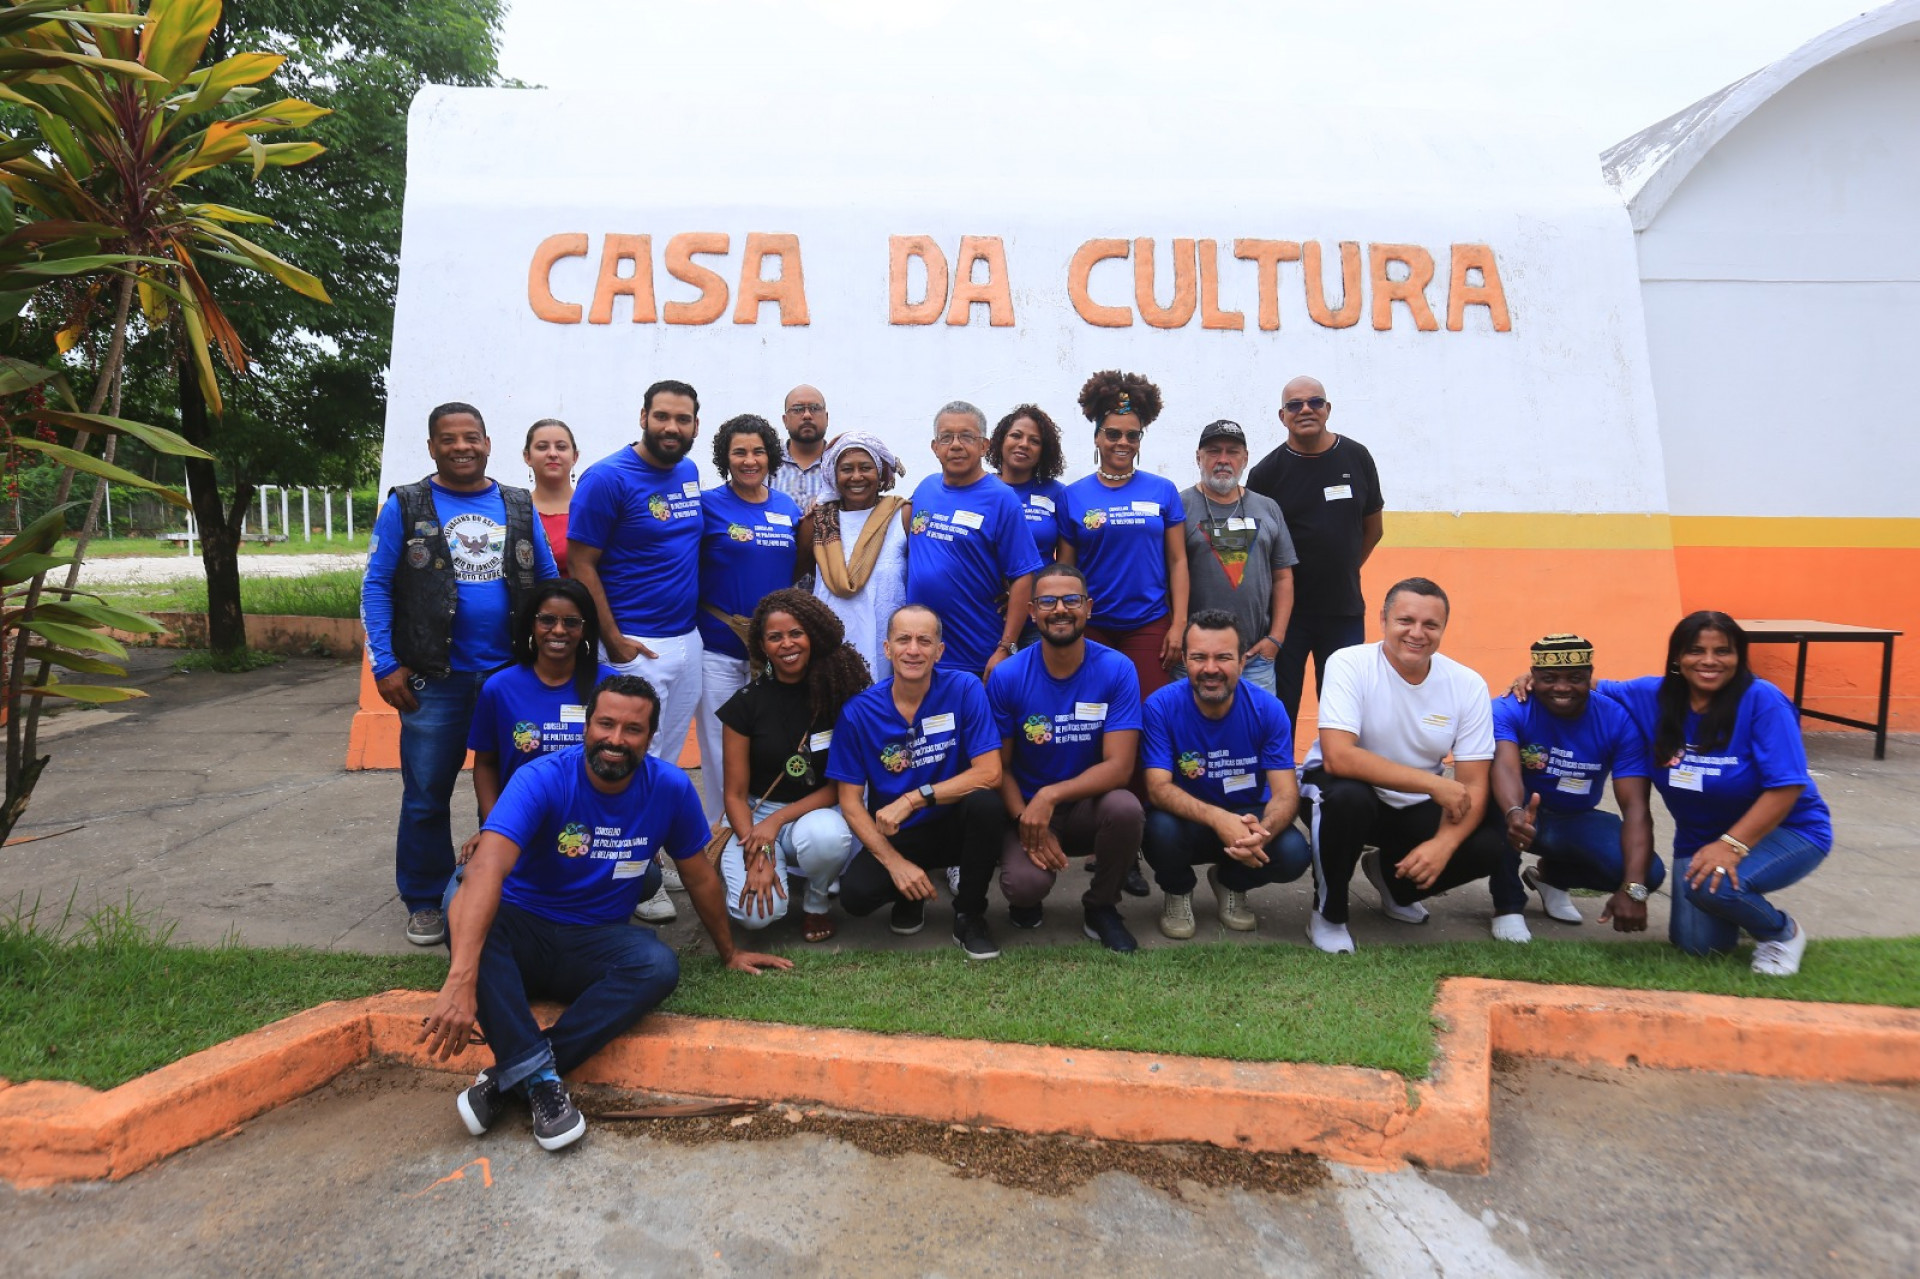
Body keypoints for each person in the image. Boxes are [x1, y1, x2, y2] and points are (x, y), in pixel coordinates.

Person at [419, 675, 790, 1152]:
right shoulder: (541, 777)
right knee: (468, 910)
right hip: (523, 931)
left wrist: (729, 951)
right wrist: (459, 979)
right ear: (587, 726)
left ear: (651, 737)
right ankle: (543, 1085)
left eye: (632, 729)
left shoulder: (670, 788)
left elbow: (698, 877)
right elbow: (487, 869)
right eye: (606, 724)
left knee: (656, 965)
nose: (616, 739)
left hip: (591, 943)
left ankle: (516, 1074)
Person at [363, 401, 556, 946]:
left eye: (471, 437)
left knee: (513, 790)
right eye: (449, 439)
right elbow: (376, 586)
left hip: (508, 677)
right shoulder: (406, 504)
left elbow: (546, 577)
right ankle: (425, 899)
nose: (462, 447)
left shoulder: (517, 503)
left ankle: (504, 889)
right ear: (431, 447)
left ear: (488, 443)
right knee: (426, 794)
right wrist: (385, 663)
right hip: (432, 678)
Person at [1592, 612, 1832, 976]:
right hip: (1699, 839)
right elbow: (1585, 686)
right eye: (1695, 651)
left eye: (1723, 651)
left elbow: (1787, 786)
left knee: (1714, 889)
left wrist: (1732, 845)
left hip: (1788, 830)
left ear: (1739, 656)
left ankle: (1782, 933)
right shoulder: (1649, 695)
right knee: (1697, 945)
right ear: (1677, 657)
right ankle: (1737, 901)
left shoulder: (1763, 701)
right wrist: (1530, 679)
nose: (1709, 661)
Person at [1297, 578, 1526, 954]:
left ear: (1443, 629)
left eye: (1430, 625)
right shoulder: (1349, 662)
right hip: (1342, 789)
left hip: (1412, 804)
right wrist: (1433, 784)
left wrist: (1443, 844)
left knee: (1491, 837)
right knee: (1347, 798)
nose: (1417, 633)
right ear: (1383, 619)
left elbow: (1474, 785)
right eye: (1405, 620)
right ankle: (1329, 914)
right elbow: (1339, 755)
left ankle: (1393, 881)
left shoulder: (1466, 684)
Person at [456, 581, 675, 927]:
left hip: (594, 830)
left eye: (571, 622)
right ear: (532, 624)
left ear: (586, 629)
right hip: (523, 827)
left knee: (647, 877)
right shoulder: (500, 688)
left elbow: (633, 764)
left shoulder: (610, 687)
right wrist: (493, 826)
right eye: (547, 620)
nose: (558, 630)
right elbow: (485, 765)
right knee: (457, 898)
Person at [827, 604, 1008, 960]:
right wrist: (895, 863)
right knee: (856, 897)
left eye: (924, 641)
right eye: (903, 639)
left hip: (954, 821)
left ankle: (970, 914)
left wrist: (914, 798)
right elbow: (849, 801)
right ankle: (909, 893)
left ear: (939, 651)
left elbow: (990, 773)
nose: (913, 650)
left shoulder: (965, 689)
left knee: (987, 804)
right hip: (900, 833)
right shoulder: (858, 712)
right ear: (887, 648)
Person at [986, 565, 1145, 952]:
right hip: (1028, 809)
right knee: (1023, 888)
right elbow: (999, 767)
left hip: (1088, 806)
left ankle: (1102, 906)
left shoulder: (1117, 669)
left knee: (1126, 809)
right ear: (1031, 611)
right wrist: (1026, 817)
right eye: (1048, 601)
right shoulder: (1007, 676)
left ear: (1088, 608)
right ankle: (1028, 899)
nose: (1060, 609)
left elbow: (1120, 767)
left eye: (1071, 600)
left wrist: (1051, 795)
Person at [1140, 610, 1312, 939]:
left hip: (1249, 818)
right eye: (1199, 657)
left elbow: (1286, 794)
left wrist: (1260, 832)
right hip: (1188, 821)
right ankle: (1177, 891)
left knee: (1293, 854)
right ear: (1185, 661)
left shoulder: (1268, 709)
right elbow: (1158, 789)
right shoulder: (1160, 707)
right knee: (1157, 828)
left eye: (1223, 657)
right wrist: (1219, 819)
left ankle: (1230, 882)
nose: (1210, 669)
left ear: (1242, 662)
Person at [716, 590, 870, 942]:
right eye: (775, 637)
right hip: (753, 812)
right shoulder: (744, 705)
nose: (787, 644)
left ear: (814, 634)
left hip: (815, 810)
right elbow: (735, 795)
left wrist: (776, 823)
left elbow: (838, 786)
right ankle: (754, 869)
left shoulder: (838, 694)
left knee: (827, 838)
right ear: (762, 645)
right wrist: (758, 853)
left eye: (796, 633)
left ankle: (816, 903)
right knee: (756, 917)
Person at [568, 380, 705, 770]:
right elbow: (581, 564)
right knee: (627, 761)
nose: (671, 427)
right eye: (661, 416)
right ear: (644, 417)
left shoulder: (689, 470)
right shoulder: (606, 478)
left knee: (665, 761)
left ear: (696, 425)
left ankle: (653, 832)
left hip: (686, 641)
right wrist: (614, 641)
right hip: (635, 645)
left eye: (683, 419)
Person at [1490, 632, 1662, 931]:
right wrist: (1514, 812)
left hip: (1576, 818)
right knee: (1494, 809)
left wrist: (1634, 888)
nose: (1562, 687)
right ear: (1533, 677)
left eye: (1575, 677)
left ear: (1590, 677)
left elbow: (1636, 807)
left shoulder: (1618, 720)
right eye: (1550, 678)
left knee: (1650, 872)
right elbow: (1504, 768)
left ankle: (1552, 878)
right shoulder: (1509, 707)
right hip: (1521, 811)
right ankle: (1508, 905)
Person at [1246, 376, 1385, 730]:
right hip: (1284, 617)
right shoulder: (1266, 473)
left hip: (1343, 611)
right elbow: (1255, 547)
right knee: (1280, 706)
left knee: (1343, 707)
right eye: (1295, 405)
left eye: (1314, 402)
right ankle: (1280, 780)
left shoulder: (1357, 456)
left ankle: (1335, 779)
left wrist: (1344, 568)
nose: (1305, 410)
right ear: (1282, 416)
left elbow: (1374, 527)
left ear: (1328, 409)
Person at [694, 413, 805, 820]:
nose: (749, 460)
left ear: (771, 456)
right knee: (720, 748)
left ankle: (765, 833)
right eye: (738, 452)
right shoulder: (707, 505)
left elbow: (798, 567)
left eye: (758, 451)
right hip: (718, 649)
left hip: (774, 652)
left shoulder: (787, 507)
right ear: (725, 457)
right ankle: (721, 842)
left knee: (768, 746)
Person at [1061, 370, 1188, 697]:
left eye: (1133, 436)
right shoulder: (1072, 496)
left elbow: (1177, 562)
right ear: (1097, 437)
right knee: (1094, 713)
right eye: (1113, 434)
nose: (1123, 443)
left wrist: (1179, 624)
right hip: (1091, 626)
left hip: (1148, 625)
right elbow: (1067, 570)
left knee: (1150, 713)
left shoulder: (1163, 490)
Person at [902, 401, 1042, 679]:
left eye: (966, 436)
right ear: (934, 447)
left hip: (976, 655)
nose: (955, 445)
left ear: (984, 446)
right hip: (921, 655)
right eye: (946, 437)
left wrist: (1005, 648)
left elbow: (1024, 576)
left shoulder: (1002, 499)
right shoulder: (925, 488)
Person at [1180, 419, 1297, 696]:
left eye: (1232, 451)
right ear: (1198, 458)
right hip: (1195, 659)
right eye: (1213, 452)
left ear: (1245, 458)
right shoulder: (1179, 506)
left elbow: (1283, 577)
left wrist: (1276, 638)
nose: (1223, 460)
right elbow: (1165, 576)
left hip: (1255, 659)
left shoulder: (1268, 508)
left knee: (1255, 732)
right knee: (1191, 736)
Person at [799, 432, 910, 674]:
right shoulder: (817, 522)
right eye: (847, 469)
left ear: (879, 473)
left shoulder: (901, 516)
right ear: (834, 476)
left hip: (888, 646)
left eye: (866, 468)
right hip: (831, 645)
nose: (856, 477)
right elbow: (793, 576)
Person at [988, 403, 1070, 565]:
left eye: (1034, 441)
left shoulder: (1058, 494)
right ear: (1001, 441)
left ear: (1044, 451)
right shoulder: (980, 489)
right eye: (1016, 436)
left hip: (1041, 589)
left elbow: (1066, 564)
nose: (1024, 444)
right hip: (989, 590)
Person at [524, 418, 579, 577]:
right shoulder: (517, 511)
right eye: (542, 447)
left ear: (574, 456)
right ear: (527, 456)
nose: (553, 454)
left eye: (561, 447)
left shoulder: (592, 507)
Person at [772, 384, 833, 511]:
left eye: (815, 408)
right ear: (785, 420)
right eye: (798, 409)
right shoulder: (768, 464)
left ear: (827, 418)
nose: (807, 415)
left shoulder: (839, 464)